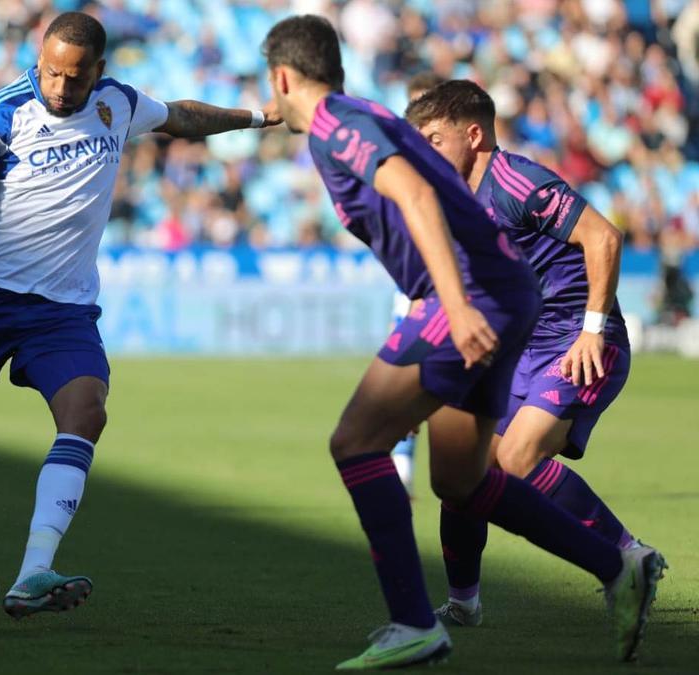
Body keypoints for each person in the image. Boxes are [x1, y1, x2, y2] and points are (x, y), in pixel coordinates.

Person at [261, 15, 664, 670]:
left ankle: (412, 622)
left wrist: (450, 302)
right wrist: (253, 118)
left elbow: (416, 194)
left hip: (472, 298)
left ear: (282, 77)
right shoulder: (356, 115)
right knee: (461, 478)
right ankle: (617, 565)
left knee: (355, 441)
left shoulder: (338, 127)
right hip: (504, 296)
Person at [0, 11, 278, 620]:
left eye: (74, 78)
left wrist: (255, 116)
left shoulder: (116, 103)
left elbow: (182, 117)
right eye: (50, 73)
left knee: (86, 413)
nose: (60, 88)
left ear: (99, 71)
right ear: (37, 60)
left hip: (63, 310)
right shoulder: (2, 112)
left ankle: (33, 572)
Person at [405, 78, 657, 628]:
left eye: (433, 138)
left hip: (580, 340)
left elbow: (604, 238)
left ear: (473, 135)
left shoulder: (517, 182)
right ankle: (464, 604)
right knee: (461, 477)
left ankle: (631, 557)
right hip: (518, 349)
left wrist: (593, 329)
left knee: (517, 460)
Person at [388, 73, 447, 496]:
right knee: (407, 374)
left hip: (454, 283)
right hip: (414, 282)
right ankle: (402, 465)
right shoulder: (401, 159)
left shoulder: (458, 160)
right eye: (412, 105)